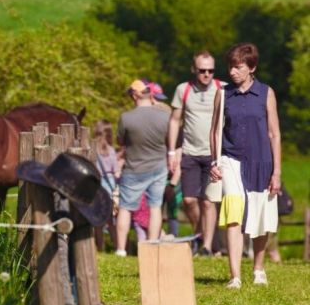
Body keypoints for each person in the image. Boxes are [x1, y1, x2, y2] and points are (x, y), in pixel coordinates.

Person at [209, 43, 281, 289]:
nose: (232, 71)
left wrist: (277, 172)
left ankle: (258, 269)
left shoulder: (266, 93)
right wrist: (214, 161)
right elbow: (214, 130)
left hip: (262, 162)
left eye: (238, 67)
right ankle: (235, 275)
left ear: (252, 68)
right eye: (230, 66)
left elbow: (274, 134)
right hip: (231, 160)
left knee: (261, 216)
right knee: (233, 210)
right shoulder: (222, 94)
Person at [166, 51, 223, 256]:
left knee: (208, 201)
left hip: (213, 154)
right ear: (194, 69)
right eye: (202, 70)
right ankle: (201, 232)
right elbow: (174, 121)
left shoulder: (222, 88)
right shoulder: (184, 89)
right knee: (189, 200)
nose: (206, 74)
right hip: (189, 152)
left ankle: (207, 246)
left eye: (210, 70)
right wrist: (172, 152)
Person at [115, 79, 171, 256]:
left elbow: (120, 141)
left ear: (135, 94)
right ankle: (152, 245)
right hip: (158, 168)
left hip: (133, 169)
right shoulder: (165, 117)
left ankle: (121, 249)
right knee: (155, 207)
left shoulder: (126, 118)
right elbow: (170, 140)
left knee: (125, 207)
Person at [92, 119, 121, 251]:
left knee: (97, 221)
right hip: (109, 187)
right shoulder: (110, 150)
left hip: (96, 186)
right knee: (111, 222)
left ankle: (99, 247)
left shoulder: (92, 149)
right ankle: (117, 247)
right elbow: (116, 172)